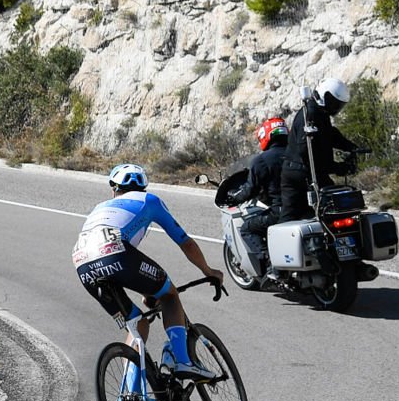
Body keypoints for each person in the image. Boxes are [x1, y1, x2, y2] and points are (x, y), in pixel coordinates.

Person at [73, 164, 223, 379]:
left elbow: (111, 259)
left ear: (113, 189)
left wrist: (146, 292)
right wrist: (209, 271)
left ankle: (132, 395)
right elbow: (185, 243)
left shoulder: (100, 207)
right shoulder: (149, 201)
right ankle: (183, 361)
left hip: (82, 264)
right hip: (116, 254)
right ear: (143, 187)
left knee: (137, 323)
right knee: (169, 295)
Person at [279, 76, 359, 218]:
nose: (336, 108)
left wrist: (351, 147)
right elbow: (308, 153)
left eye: (338, 105)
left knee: (333, 205)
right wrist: (335, 167)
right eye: (334, 103)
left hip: (310, 172)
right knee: (290, 216)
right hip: (298, 173)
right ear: (324, 95)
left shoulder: (320, 113)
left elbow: (330, 134)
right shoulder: (310, 114)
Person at [231, 117, 289, 270]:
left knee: (247, 229)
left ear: (266, 135)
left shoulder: (262, 160)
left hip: (281, 212)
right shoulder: (299, 154)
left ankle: (270, 263)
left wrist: (235, 198)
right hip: (307, 208)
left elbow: (251, 189)